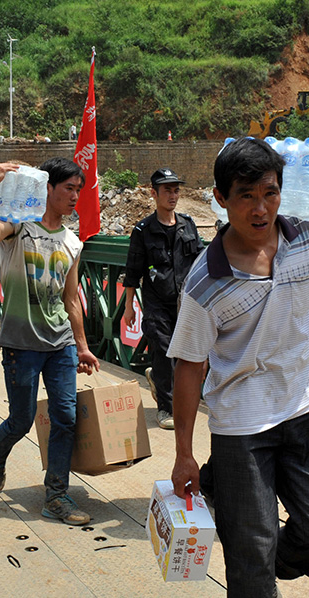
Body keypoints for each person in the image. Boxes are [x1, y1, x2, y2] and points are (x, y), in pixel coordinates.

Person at [168, 137, 309, 598]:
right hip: (241, 423)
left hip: (305, 405)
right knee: (251, 558)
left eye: (270, 194)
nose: (261, 209)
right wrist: (183, 453)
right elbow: (188, 367)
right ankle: (250, 564)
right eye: (247, 196)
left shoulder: (302, 235)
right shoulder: (204, 281)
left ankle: (251, 555)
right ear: (221, 198)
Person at [0, 158, 101, 526]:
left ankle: (57, 496)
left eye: (79, 190)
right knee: (22, 420)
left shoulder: (73, 242)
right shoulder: (19, 228)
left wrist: (81, 345)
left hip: (59, 342)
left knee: (66, 417)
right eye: (69, 189)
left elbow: (72, 298)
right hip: (20, 342)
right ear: (48, 188)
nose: (75, 196)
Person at [123, 168, 204, 430]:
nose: (173, 195)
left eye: (176, 189)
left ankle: (160, 384)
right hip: (157, 302)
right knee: (163, 349)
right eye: (167, 190)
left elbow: (202, 262)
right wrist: (129, 307)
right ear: (154, 193)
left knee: (185, 356)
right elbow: (133, 271)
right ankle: (166, 409)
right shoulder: (143, 230)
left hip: (186, 302)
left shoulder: (188, 225)